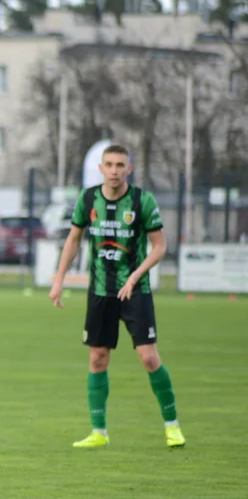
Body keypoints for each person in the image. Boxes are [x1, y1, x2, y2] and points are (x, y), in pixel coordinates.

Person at [49, 144, 184, 449]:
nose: (113, 170)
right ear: (100, 168)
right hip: (100, 291)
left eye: (119, 165)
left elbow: (160, 246)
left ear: (129, 169)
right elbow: (73, 240)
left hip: (136, 291)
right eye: (108, 164)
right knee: (97, 358)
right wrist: (59, 280)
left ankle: (172, 425)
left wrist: (136, 275)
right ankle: (99, 432)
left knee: (148, 357)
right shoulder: (87, 199)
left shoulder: (141, 200)